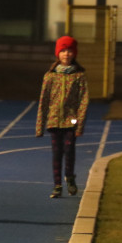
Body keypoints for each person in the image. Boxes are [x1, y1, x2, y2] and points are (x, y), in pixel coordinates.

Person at [35, 35, 89, 198]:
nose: (66, 54)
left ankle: (70, 177)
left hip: (70, 121)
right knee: (56, 153)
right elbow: (43, 101)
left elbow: (83, 101)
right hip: (53, 120)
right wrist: (40, 125)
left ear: (74, 54)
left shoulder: (79, 76)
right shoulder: (50, 76)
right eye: (63, 51)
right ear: (58, 53)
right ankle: (57, 185)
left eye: (70, 51)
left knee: (69, 150)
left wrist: (79, 125)